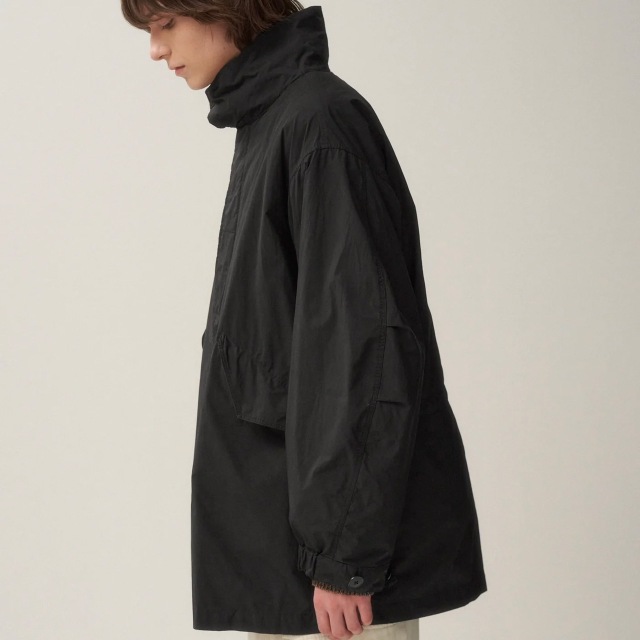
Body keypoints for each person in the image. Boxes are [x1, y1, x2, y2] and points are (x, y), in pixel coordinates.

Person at [120, 2, 488, 639]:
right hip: (294, 559)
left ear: (222, 8)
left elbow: (365, 350)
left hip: (339, 580)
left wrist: (343, 556)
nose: (156, 50)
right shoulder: (272, 122)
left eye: (166, 25)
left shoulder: (318, 124)